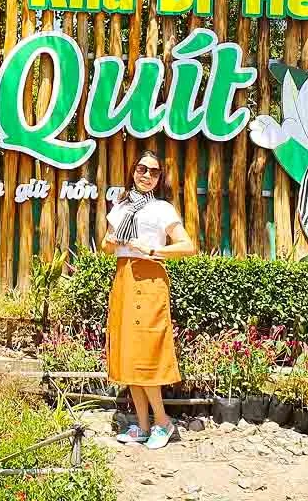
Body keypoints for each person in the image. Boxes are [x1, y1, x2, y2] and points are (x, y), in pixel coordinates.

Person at [100, 150, 198, 450]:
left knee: (146, 353)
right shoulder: (121, 207)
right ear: (133, 171)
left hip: (150, 279)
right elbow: (106, 246)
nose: (147, 175)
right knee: (129, 352)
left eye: (154, 172)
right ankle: (142, 426)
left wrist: (153, 250)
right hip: (124, 279)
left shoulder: (162, 209)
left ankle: (163, 422)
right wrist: (111, 242)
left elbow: (188, 246)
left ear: (159, 178)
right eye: (142, 169)